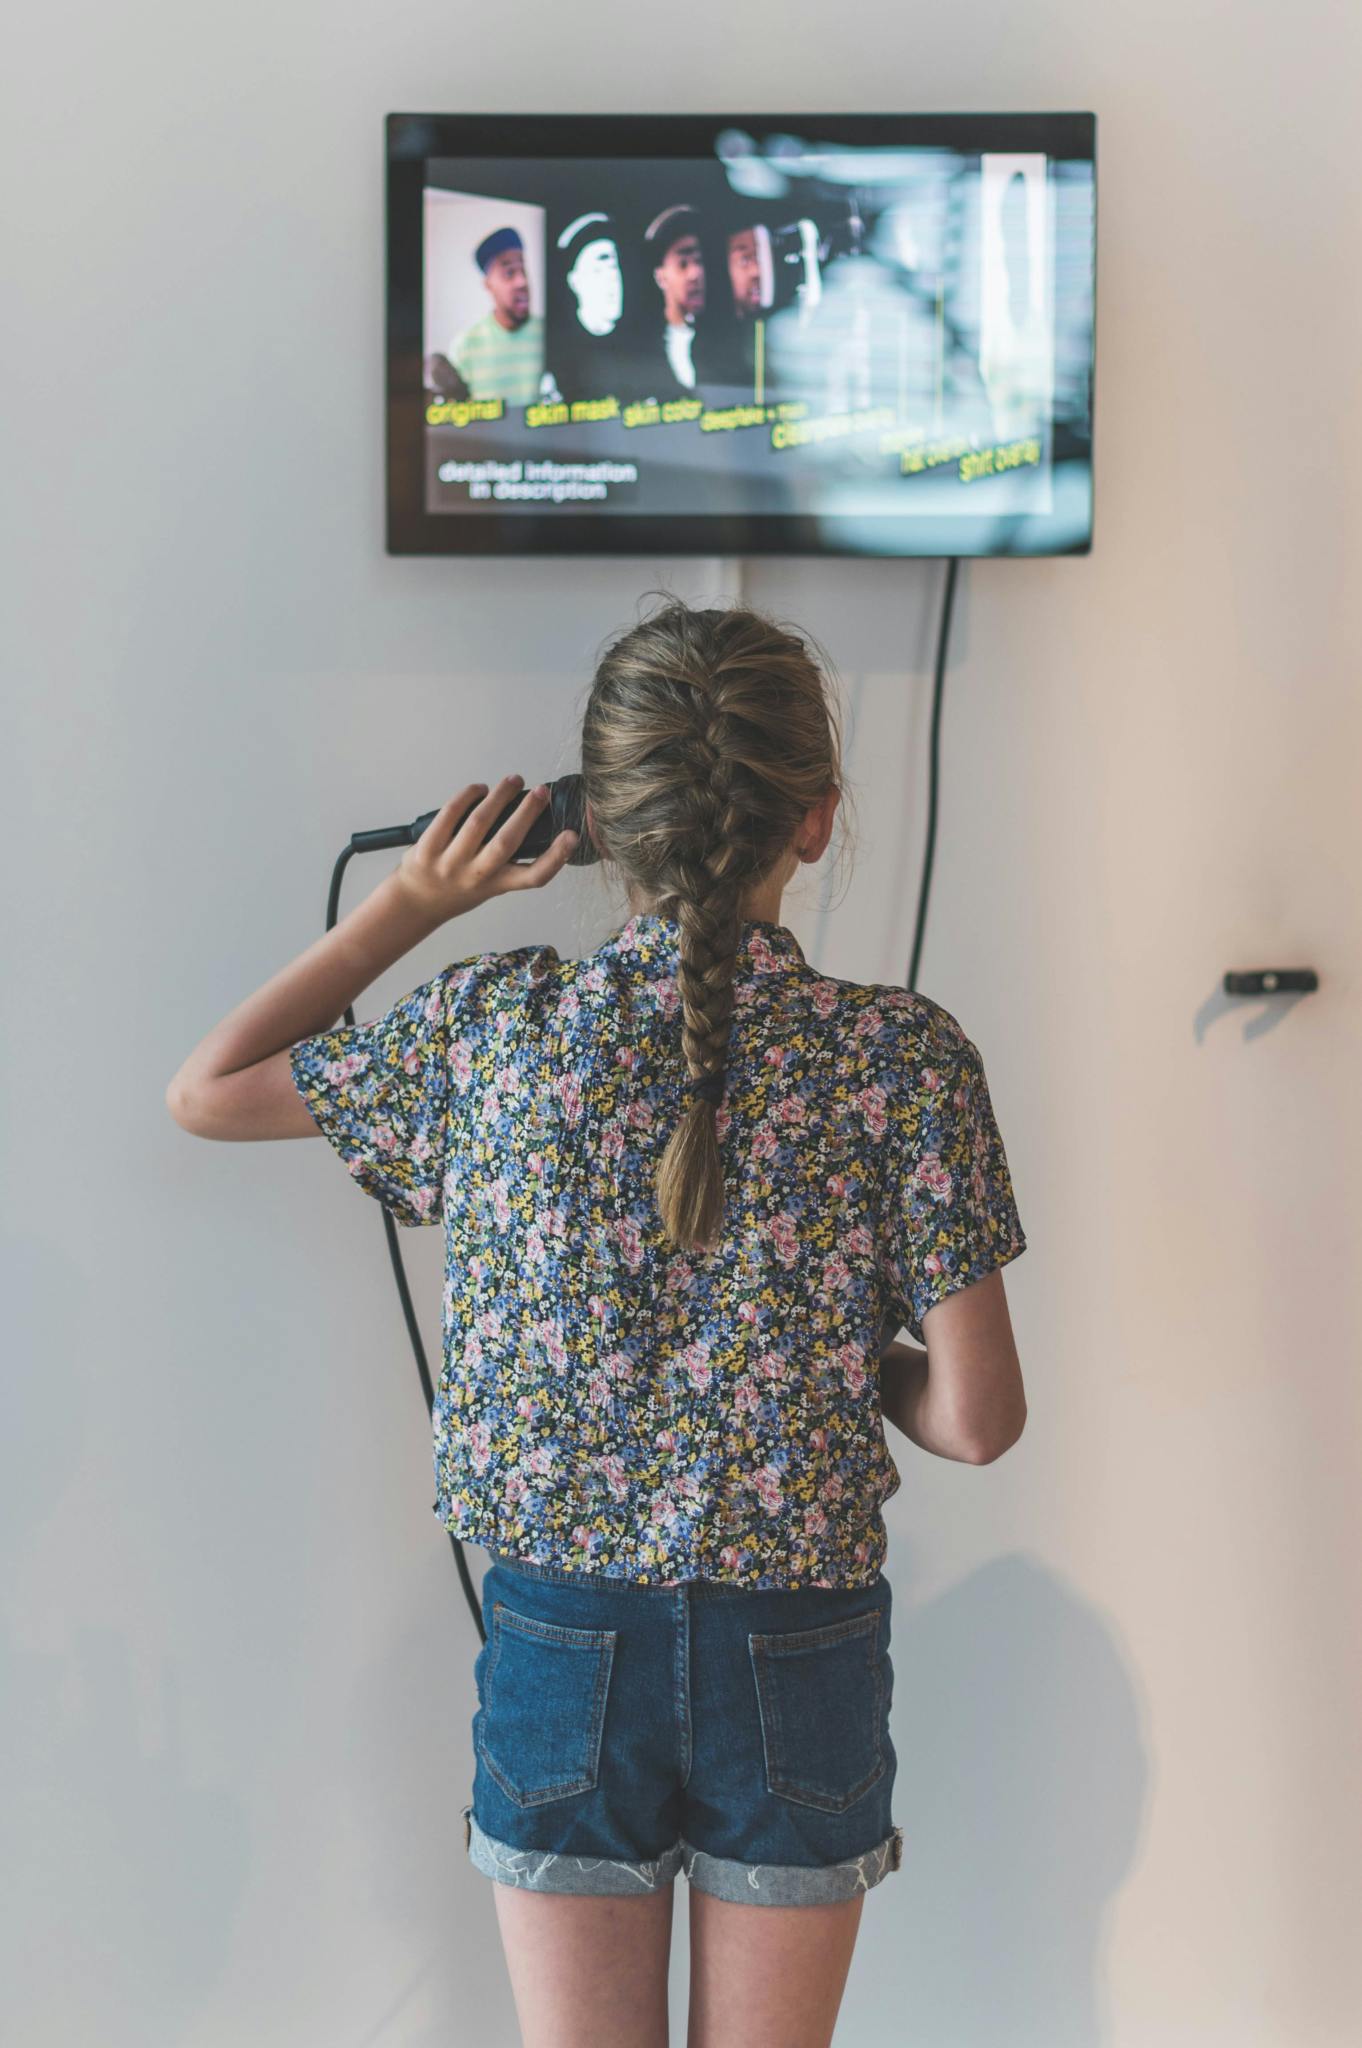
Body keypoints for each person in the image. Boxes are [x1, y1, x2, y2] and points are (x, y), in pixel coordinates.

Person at [165, 599, 1029, 2048]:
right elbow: (979, 1420)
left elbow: (208, 1089)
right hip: (798, 1642)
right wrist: (832, 1353)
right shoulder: (904, 1058)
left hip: (563, 1640)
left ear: (594, 824)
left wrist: (415, 903)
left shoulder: (492, 1032)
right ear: (816, 820)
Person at [446, 225, 545, 405]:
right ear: (488, 285)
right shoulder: (465, 346)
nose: (522, 282)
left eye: (523, 270)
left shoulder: (550, 334)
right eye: (509, 273)